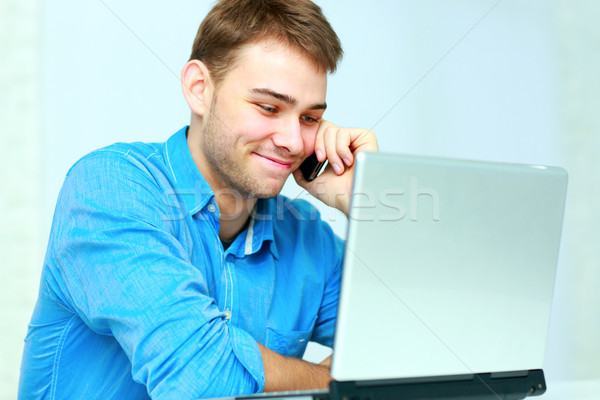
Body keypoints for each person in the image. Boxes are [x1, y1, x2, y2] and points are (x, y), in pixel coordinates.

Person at [18, 0, 378, 399]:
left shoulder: (306, 236)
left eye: (309, 119)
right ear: (199, 89)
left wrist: (366, 200)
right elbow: (200, 380)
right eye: (268, 107)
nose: (294, 141)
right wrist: (336, 383)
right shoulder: (108, 188)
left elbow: (420, 347)